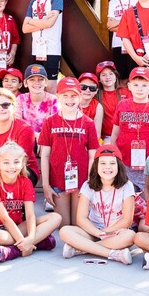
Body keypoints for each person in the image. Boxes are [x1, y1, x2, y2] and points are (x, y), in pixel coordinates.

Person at [0, 142, 62, 263]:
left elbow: (30, 215)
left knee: (56, 217)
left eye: (16, 162)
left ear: (23, 163)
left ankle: (16, 250)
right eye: (6, 162)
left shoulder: (25, 182)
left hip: (18, 227)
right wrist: (25, 242)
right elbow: (5, 218)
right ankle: (37, 243)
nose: (12, 166)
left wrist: (31, 237)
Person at [59, 145, 137, 264]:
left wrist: (107, 231)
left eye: (112, 163)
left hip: (115, 232)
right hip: (92, 231)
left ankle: (80, 249)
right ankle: (113, 254)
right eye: (103, 163)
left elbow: (127, 220)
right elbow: (81, 219)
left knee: (131, 236)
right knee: (64, 231)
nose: (107, 167)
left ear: (119, 166)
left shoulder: (127, 186)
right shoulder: (87, 185)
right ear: (96, 166)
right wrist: (98, 233)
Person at [38, 78, 100, 227]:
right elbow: (45, 155)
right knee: (64, 226)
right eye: (65, 95)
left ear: (80, 97)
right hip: (58, 180)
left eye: (73, 96)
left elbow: (93, 155)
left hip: (81, 181)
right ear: (58, 96)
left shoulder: (88, 123)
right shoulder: (50, 121)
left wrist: (90, 182)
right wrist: (46, 185)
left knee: (78, 225)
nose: (69, 100)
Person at [109, 67, 149, 190]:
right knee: (126, 196)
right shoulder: (122, 105)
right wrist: (115, 158)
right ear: (129, 86)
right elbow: (115, 134)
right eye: (136, 85)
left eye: (144, 85)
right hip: (125, 163)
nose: (140, 89)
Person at [23, 0, 65, 87]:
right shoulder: (34, 1)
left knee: (50, 86)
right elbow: (25, 28)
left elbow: (50, 23)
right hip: (37, 49)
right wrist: (43, 22)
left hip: (52, 49)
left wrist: (32, 21)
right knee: (37, 84)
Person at [106, 0, 137, 83]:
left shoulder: (137, 1)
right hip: (118, 44)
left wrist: (120, 22)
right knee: (121, 78)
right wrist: (129, 21)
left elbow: (139, 25)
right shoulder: (112, 3)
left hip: (134, 44)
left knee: (134, 77)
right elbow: (110, 25)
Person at [16, 63, 58, 134]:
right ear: (25, 83)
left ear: (46, 82)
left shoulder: (53, 100)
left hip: (48, 140)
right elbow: (17, 124)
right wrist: (35, 136)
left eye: (41, 79)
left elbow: (56, 126)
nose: (37, 83)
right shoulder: (20, 99)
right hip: (26, 138)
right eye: (32, 79)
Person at [96, 61, 129, 141]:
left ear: (116, 76)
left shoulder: (126, 92)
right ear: (99, 79)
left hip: (126, 135)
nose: (108, 77)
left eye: (111, 74)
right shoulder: (96, 95)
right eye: (103, 75)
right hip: (107, 137)